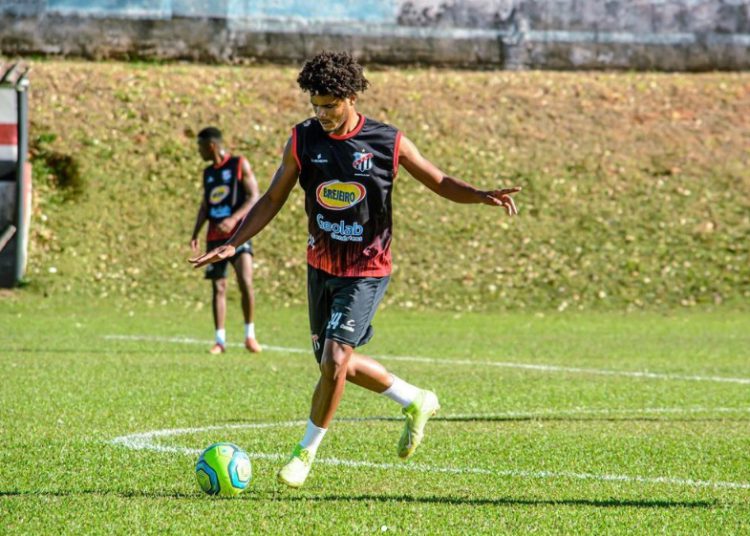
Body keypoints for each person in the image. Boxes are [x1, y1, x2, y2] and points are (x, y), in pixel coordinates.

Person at [190, 52, 519, 488]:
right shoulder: (302, 140)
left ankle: (304, 453)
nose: (322, 114)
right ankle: (415, 398)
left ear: (351, 97)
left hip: (367, 267)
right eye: (315, 105)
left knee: (335, 358)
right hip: (320, 267)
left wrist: (479, 195)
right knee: (332, 363)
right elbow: (271, 198)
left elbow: (438, 180)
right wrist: (233, 243)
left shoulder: (387, 142)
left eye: (329, 105)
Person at [190, 127, 262, 354]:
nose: (198, 151)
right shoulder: (208, 173)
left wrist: (233, 219)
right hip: (214, 237)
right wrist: (195, 232)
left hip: (237, 237)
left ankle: (250, 336)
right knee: (218, 286)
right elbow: (205, 205)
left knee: (245, 282)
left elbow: (254, 196)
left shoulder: (239, 164)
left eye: (200, 147)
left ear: (211, 146)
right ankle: (219, 340)